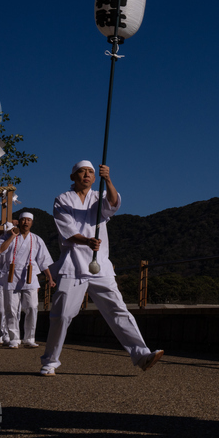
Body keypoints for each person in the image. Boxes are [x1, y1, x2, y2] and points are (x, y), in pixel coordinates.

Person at [40, 161, 163, 376]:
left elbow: (113, 204)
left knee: (118, 310)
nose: (86, 175)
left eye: (90, 172)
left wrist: (108, 179)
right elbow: (67, 230)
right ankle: (50, 361)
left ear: (95, 177)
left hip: (100, 265)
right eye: (81, 171)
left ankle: (141, 355)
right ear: (73, 176)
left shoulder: (99, 196)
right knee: (62, 315)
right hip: (73, 264)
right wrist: (86, 241)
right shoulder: (62, 199)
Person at [0, 212, 55, 349]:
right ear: (19, 221)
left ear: (32, 223)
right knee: (11, 309)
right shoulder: (8, 236)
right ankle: (14, 338)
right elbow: (0, 250)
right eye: (23, 220)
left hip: (29, 276)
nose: (25, 222)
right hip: (12, 276)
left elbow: (43, 261)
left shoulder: (36, 239)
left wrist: (50, 278)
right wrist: (12, 236)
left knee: (32, 307)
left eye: (28, 220)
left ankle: (29, 338)